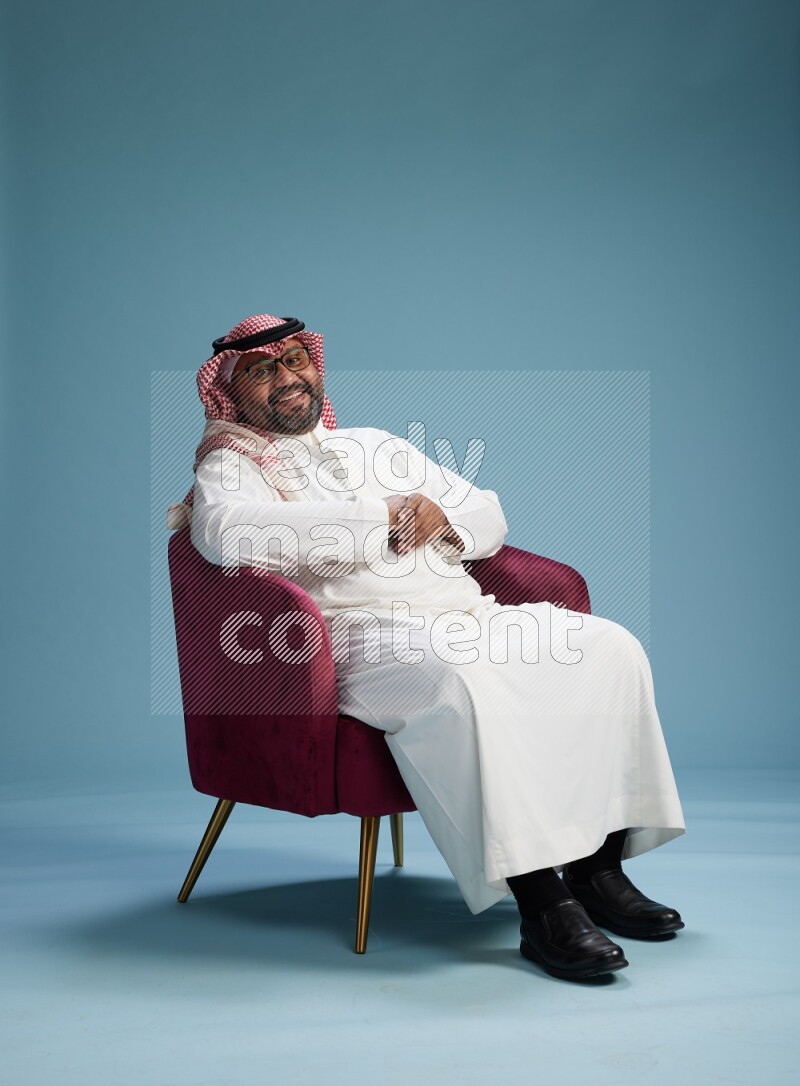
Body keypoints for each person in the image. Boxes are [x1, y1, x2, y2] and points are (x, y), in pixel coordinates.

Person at [167, 312, 687, 982]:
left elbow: (490, 516)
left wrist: (445, 518)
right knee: (461, 681)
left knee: (608, 648)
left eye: (296, 361)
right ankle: (541, 902)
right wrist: (371, 523)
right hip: (353, 638)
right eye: (263, 370)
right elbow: (221, 537)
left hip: (461, 610)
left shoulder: (374, 445)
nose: (288, 378)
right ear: (231, 392)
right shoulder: (229, 466)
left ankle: (596, 870)